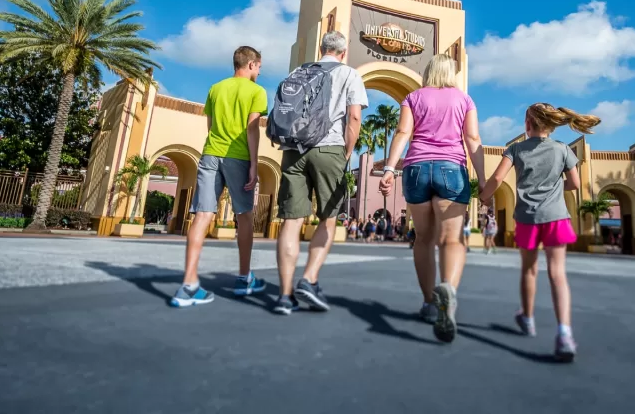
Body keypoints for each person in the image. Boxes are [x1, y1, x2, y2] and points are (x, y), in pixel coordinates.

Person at [479, 102, 600, 362]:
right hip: (556, 217)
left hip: (527, 218)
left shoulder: (515, 149)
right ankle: (564, 333)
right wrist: (555, 186)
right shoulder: (563, 150)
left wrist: (484, 196)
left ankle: (528, 318)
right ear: (552, 124)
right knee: (557, 274)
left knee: (529, 271)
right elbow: (575, 184)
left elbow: (498, 179)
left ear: (527, 124)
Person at [380, 53, 485, 343]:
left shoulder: (413, 97)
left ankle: (429, 302)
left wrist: (390, 168)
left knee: (424, 239)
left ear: (428, 72)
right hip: (451, 170)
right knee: (452, 239)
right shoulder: (464, 99)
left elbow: (403, 132)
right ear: (451, 73)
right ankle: (447, 290)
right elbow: (473, 140)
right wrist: (484, 179)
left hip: (415, 170)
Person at [273, 31, 368, 315]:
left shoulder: (299, 71)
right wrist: (347, 152)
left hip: (293, 150)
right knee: (328, 219)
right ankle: (309, 278)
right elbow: (353, 117)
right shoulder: (349, 74)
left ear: (321, 48)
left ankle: (284, 295)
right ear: (343, 52)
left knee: (291, 221)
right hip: (330, 150)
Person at [170, 46, 268, 307]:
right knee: (244, 216)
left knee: (202, 216)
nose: (259, 71)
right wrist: (254, 165)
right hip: (239, 157)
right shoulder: (257, 91)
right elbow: (252, 130)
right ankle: (244, 278)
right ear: (250, 65)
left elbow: (211, 127)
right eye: (258, 66)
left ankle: (188, 285)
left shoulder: (215, 89)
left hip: (210, 154)